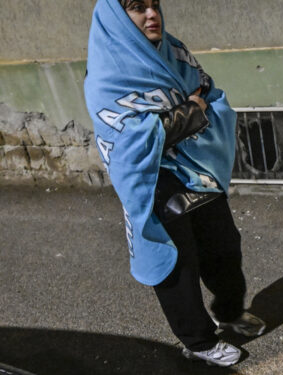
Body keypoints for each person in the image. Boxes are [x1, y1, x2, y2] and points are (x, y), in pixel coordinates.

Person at [84, 0, 264, 367]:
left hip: (194, 164)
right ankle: (197, 340)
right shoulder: (107, 72)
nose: (152, 14)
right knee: (176, 260)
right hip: (151, 177)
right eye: (137, 8)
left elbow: (204, 85)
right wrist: (194, 110)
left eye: (154, 5)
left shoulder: (174, 49)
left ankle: (229, 310)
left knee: (224, 243)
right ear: (118, 17)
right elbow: (131, 138)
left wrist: (194, 107)